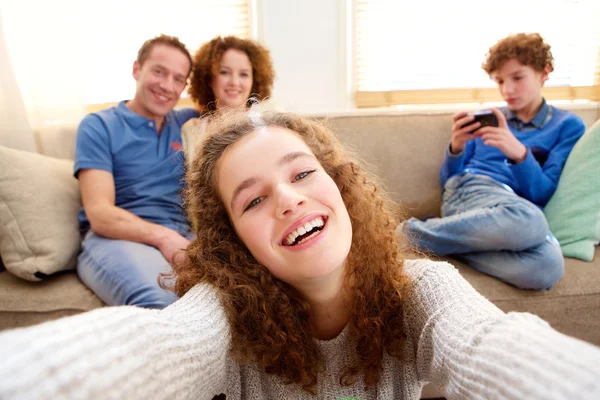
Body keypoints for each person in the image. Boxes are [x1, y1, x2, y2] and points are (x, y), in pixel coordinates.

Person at [1, 109, 599, 400]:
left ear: (341, 187)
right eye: (253, 200)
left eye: (302, 174)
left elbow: (492, 346)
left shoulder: (423, 289)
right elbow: (160, 346)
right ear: (234, 242)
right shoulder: (221, 311)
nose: (287, 200)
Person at [402, 33, 585, 290]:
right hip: (473, 192)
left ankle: (448, 241)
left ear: (544, 72)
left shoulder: (567, 126)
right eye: (499, 81)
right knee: (532, 222)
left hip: (512, 211)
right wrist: (457, 147)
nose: (507, 90)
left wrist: (519, 154)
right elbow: (450, 184)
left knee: (548, 267)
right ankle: (406, 233)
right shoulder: (489, 117)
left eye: (517, 78)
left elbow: (542, 194)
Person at [74, 34, 199, 309]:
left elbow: (234, 108)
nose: (168, 86)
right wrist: (166, 238)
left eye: (178, 79)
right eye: (159, 72)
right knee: (161, 302)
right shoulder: (99, 126)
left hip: (186, 236)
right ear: (136, 69)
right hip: (118, 237)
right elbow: (100, 214)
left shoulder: (189, 123)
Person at [181, 35, 275, 169]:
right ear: (208, 79)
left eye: (244, 74)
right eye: (224, 72)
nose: (234, 82)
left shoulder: (269, 123)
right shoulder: (191, 130)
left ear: (254, 80)